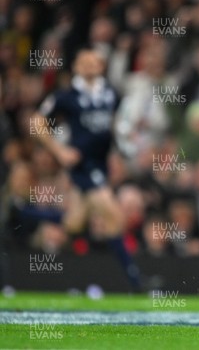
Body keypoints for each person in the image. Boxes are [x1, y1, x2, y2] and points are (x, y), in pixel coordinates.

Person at [32, 48, 141, 290]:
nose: (90, 65)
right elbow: (37, 121)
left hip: (101, 163)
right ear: (76, 67)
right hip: (82, 163)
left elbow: (117, 124)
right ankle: (135, 280)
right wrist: (59, 151)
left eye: (95, 61)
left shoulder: (111, 93)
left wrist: (122, 147)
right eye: (85, 61)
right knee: (113, 216)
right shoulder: (66, 95)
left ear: (101, 66)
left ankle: (24, 213)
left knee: (74, 223)